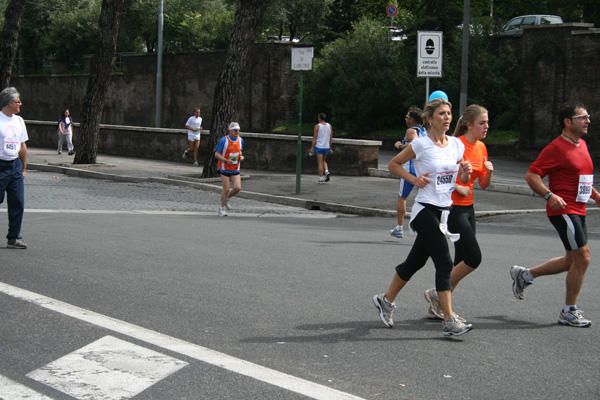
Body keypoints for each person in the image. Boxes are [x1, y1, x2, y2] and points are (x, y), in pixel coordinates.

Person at [372, 97, 474, 336]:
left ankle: (385, 300)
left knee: (414, 262)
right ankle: (449, 319)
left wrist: (466, 174)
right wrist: (415, 180)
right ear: (429, 119)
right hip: (424, 210)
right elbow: (394, 164)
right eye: (441, 114)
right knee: (445, 262)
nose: (447, 118)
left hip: (444, 212)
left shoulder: (456, 145)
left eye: (449, 113)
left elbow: (463, 180)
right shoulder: (421, 145)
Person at [511, 102, 595, 328]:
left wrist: (596, 196)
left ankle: (525, 275)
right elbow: (532, 176)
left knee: (572, 260)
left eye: (588, 117)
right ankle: (569, 311)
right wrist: (550, 196)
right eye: (583, 117)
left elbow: (582, 177)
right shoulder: (555, 148)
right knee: (583, 258)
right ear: (568, 122)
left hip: (580, 209)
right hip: (564, 210)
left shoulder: (582, 144)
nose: (588, 121)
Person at [423, 104, 493, 319]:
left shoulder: (481, 147)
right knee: (474, 257)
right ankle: (436, 295)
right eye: (482, 123)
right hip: (453, 208)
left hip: (469, 208)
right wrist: (457, 185)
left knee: (461, 260)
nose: (486, 126)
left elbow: (482, 184)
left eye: (487, 122)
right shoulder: (456, 145)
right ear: (469, 125)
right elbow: (441, 174)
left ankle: (440, 306)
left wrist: (489, 173)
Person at [390, 106, 427, 238]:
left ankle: (399, 228)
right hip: (422, 169)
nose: (405, 118)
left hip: (409, 170)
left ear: (412, 119)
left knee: (402, 197)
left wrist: (399, 145)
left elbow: (415, 143)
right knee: (426, 199)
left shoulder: (411, 131)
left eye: (407, 116)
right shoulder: (425, 131)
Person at [0, 87, 28, 249]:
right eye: (18, 102)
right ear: (10, 103)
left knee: (18, 202)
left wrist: (23, 168)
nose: (20, 104)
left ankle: (14, 237)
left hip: (15, 165)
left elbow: (22, 146)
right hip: (1, 164)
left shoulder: (19, 121)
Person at [215, 122, 244, 217]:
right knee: (226, 189)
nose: (237, 132)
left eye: (239, 130)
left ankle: (227, 198)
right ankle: (222, 208)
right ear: (230, 131)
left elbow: (240, 151)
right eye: (235, 130)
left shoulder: (240, 140)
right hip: (224, 168)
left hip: (235, 168)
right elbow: (216, 154)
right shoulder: (224, 140)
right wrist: (226, 160)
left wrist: (241, 157)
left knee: (237, 188)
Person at [310, 113, 333, 184]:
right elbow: (330, 137)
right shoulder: (330, 126)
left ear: (319, 118)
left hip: (319, 146)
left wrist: (312, 147)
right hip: (326, 146)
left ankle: (321, 178)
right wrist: (330, 146)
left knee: (320, 163)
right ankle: (326, 171)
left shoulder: (317, 126)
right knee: (324, 161)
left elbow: (314, 138)